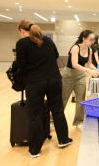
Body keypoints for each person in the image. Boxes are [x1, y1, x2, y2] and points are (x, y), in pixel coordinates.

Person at [16, 20, 72, 158]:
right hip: (54, 79)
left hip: (34, 83)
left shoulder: (21, 43)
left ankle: (35, 150)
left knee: (35, 115)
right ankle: (63, 140)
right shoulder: (47, 40)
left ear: (22, 31)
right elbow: (56, 56)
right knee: (58, 110)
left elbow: (21, 65)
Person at [62, 30, 99, 131]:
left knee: (81, 100)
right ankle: (52, 119)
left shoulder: (89, 50)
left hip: (80, 76)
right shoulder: (75, 48)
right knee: (63, 99)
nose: (92, 41)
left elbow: (90, 64)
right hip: (68, 75)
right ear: (83, 39)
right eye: (90, 39)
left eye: (93, 40)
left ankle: (79, 121)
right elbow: (74, 64)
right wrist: (88, 71)